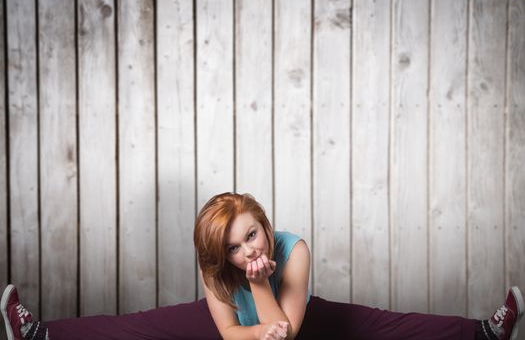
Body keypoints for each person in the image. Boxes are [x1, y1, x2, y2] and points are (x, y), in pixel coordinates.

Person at [1, 192, 523, 340]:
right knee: (140, 325)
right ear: (219, 255)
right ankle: (39, 335)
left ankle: (482, 332)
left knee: (383, 323)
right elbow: (231, 331)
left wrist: (264, 286)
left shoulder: (293, 250)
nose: (249, 251)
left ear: (267, 227)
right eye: (235, 248)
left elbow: (286, 334)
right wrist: (255, 330)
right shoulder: (216, 269)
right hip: (235, 324)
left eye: (252, 235)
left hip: (295, 319)